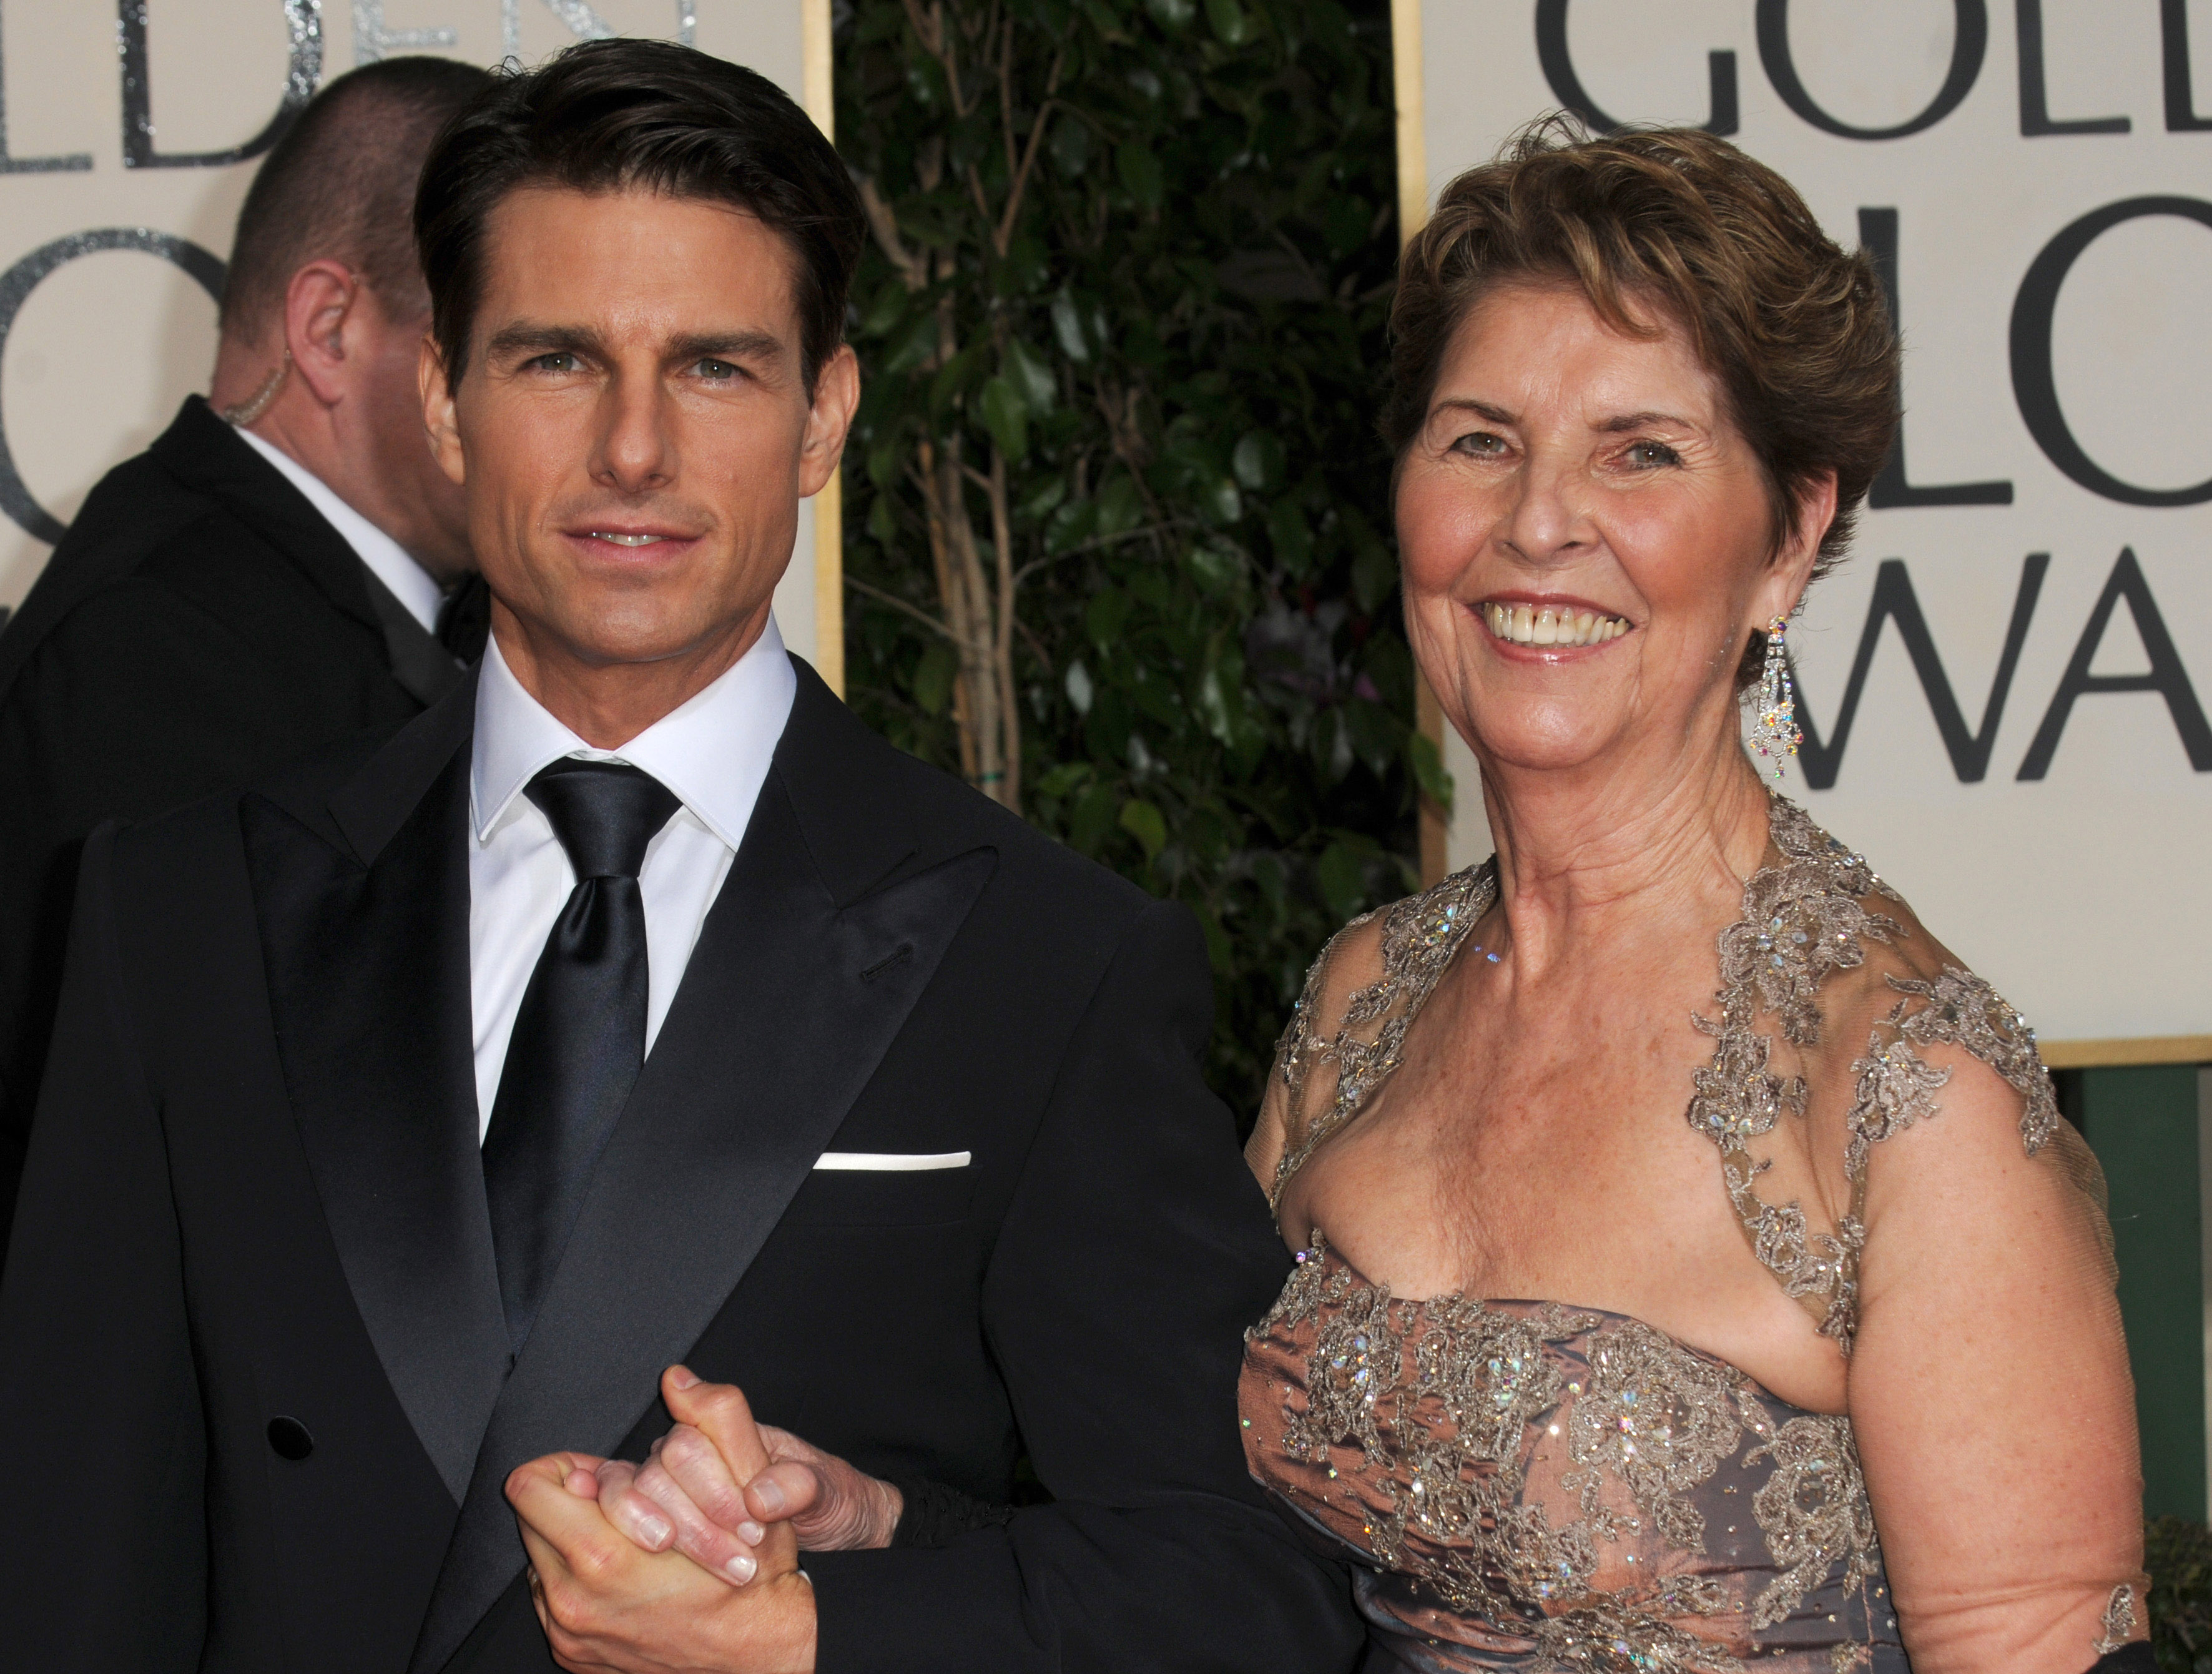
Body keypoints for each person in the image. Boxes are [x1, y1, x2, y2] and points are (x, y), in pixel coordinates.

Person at [0, 39, 1364, 1674]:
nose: (633, 452)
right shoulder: (176, 917)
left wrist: (811, 1631)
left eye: (714, 367)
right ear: (442, 396)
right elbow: (69, 1575)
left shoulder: (1045, 964)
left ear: (823, 413)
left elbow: (1246, 1585)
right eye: (559, 360)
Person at [1229, 121, 2151, 1672]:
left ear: (1791, 536)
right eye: (1477, 440)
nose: (1535, 524)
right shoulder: (1361, 993)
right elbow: (1199, 1538)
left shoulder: (1905, 1088)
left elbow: (2036, 1643)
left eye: (1638, 451)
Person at [0, 55, 490, 1259]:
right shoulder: (143, 657)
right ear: (328, 327)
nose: (573, 416)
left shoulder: (422, 613)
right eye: (509, 343)